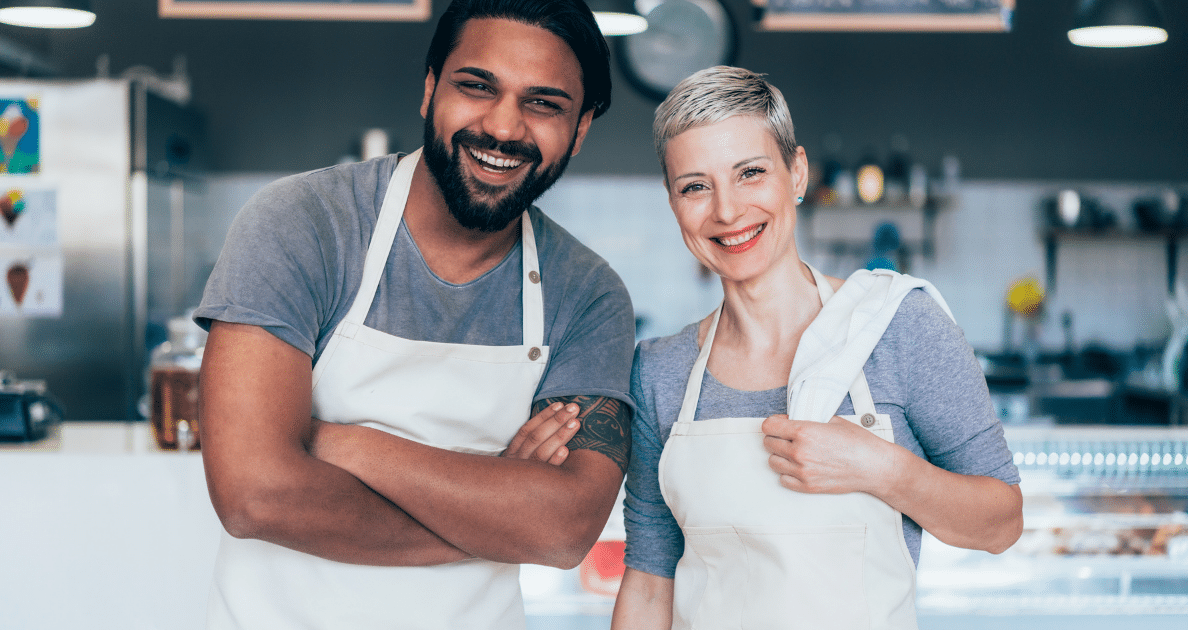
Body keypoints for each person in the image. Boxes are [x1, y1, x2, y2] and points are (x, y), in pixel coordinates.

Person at [194, 1, 635, 628]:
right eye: (477, 86)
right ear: (429, 89)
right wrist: (499, 514)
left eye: (544, 104)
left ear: (582, 127)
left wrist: (343, 444)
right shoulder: (302, 224)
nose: (504, 128)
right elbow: (254, 494)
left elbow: (564, 531)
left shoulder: (587, 295)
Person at [611, 66, 1023, 629]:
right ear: (674, 203)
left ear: (797, 173)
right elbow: (650, 582)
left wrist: (881, 467)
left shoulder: (898, 326)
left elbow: (1000, 523)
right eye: (696, 186)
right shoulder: (660, 371)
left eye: (750, 173)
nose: (727, 211)